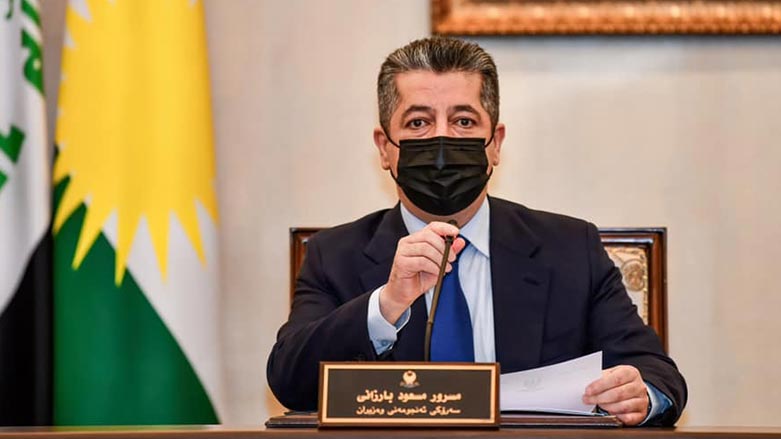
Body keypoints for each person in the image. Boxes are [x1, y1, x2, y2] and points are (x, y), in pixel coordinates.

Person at [267, 37, 687, 426]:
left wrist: (641, 396)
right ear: (384, 148)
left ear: (496, 142)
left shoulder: (570, 248)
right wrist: (387, 303)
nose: (442, 139)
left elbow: (657, 374)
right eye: (418, 122)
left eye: (464, 121)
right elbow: (290, 382)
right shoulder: (334, 255)